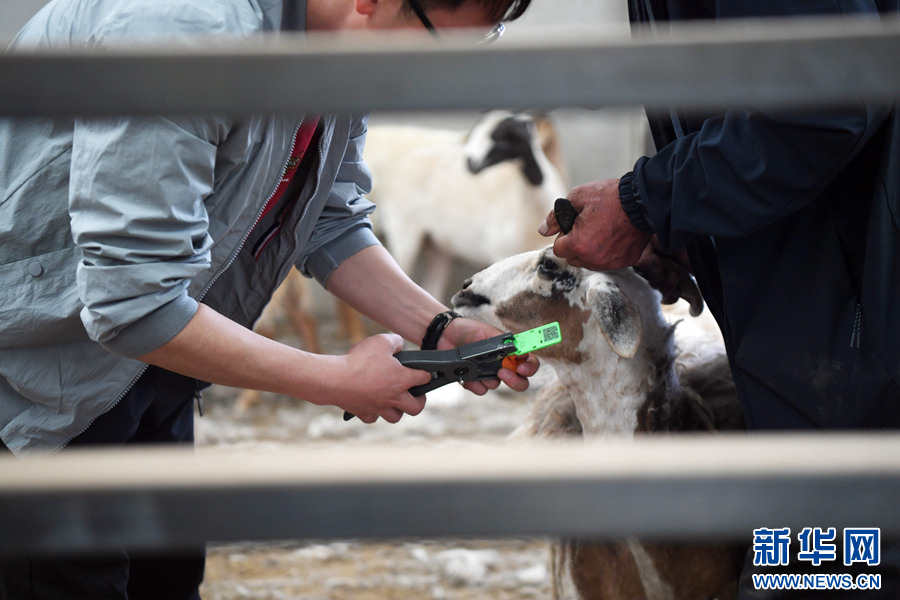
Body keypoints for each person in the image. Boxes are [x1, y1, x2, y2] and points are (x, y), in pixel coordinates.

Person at [0, 0, 534, 597]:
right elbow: (133, 300)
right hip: (37, 383)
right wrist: (332, 379)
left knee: (166, 579)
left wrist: (440, 329)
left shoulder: (332, 52)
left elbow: (327, 217)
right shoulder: (183, 29)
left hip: (154, 361)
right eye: (435, 48)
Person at [540, 0, 900, 597]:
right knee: (810, 565)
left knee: (822, 569)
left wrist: (647, 202)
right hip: (814, 334)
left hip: (860, 338)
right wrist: (689, 230)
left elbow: (824, 103)